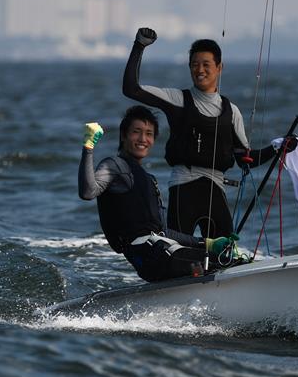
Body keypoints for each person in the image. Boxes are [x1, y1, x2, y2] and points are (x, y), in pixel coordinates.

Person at [123, 27, 282, 239]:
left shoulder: (231, 112)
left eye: (206, 65)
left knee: (224, 254)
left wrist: (277, 148)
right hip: (183, 189)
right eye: (195, 65)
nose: (200, 70)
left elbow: (246, 160)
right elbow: (131, 88)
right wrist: (139, 46)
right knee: (180, 253)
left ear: (219, 68)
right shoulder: (177, 99)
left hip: (216, 191)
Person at [78, 105, 234, 282]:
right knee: (224, 263)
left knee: (225, 259)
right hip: (149, 256)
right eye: (136, 132)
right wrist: (88, 146)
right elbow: (88, 191)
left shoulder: (148, 179)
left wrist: (208, 243)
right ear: (123, 135)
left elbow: (163, 231)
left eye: (149, 133)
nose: (143, 138)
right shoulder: (115, 166)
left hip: (161, 250)